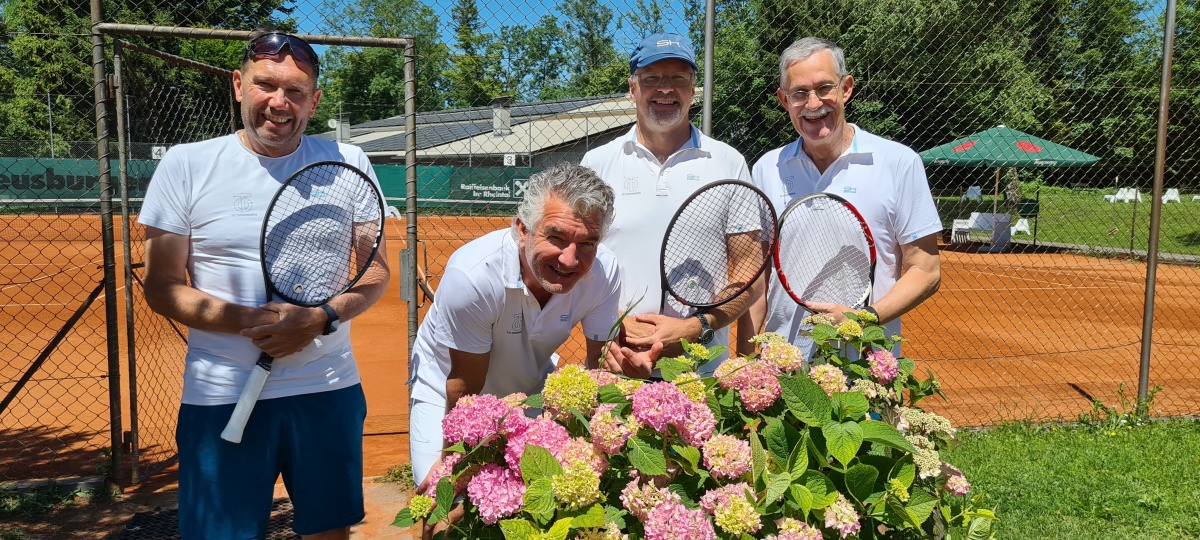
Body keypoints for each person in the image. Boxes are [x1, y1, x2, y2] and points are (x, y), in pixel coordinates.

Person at [139, 30, 390, 540]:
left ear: (314, 100)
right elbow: (162, 285)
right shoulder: (185, 164)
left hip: (327, 388)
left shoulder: (351, 162)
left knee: (330, 532)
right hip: (220, 394)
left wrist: (321, 317)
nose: (279, 103)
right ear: (238, 85)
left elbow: (377, 271)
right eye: (265, 85)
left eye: (295, 91)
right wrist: (249, 322)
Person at [406, 162, 654, 488]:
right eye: (556, 237)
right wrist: (455, 468)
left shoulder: (604, 272)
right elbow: (464, 388)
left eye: (587, 243)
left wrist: (623, 372)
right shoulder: (474, 276)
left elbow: (600, 362)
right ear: (523, 229)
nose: (569, 259)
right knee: (446, 508)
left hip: (530, 393)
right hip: (447, 394)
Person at [747, 37, 941, 353]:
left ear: (846, 88)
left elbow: (926, 271)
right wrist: (744, 362)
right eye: (799, 93)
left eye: (824, 88)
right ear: (784, 100)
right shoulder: (767, 168)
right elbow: (758, 277)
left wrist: (862, 318)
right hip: (783, 365)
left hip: (865, 366)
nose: (813, 104)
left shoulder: (899, 163)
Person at [581, 32, 755, 373]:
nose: (665, 89)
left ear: (693, 90)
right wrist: (614, 323)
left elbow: (749, 274)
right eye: (652, 79)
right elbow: (577, 263)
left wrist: (695, 327)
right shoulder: (597, 163)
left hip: (701, 371)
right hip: (616, 361)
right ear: (633, 89)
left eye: (678, 79)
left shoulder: (728, 162)